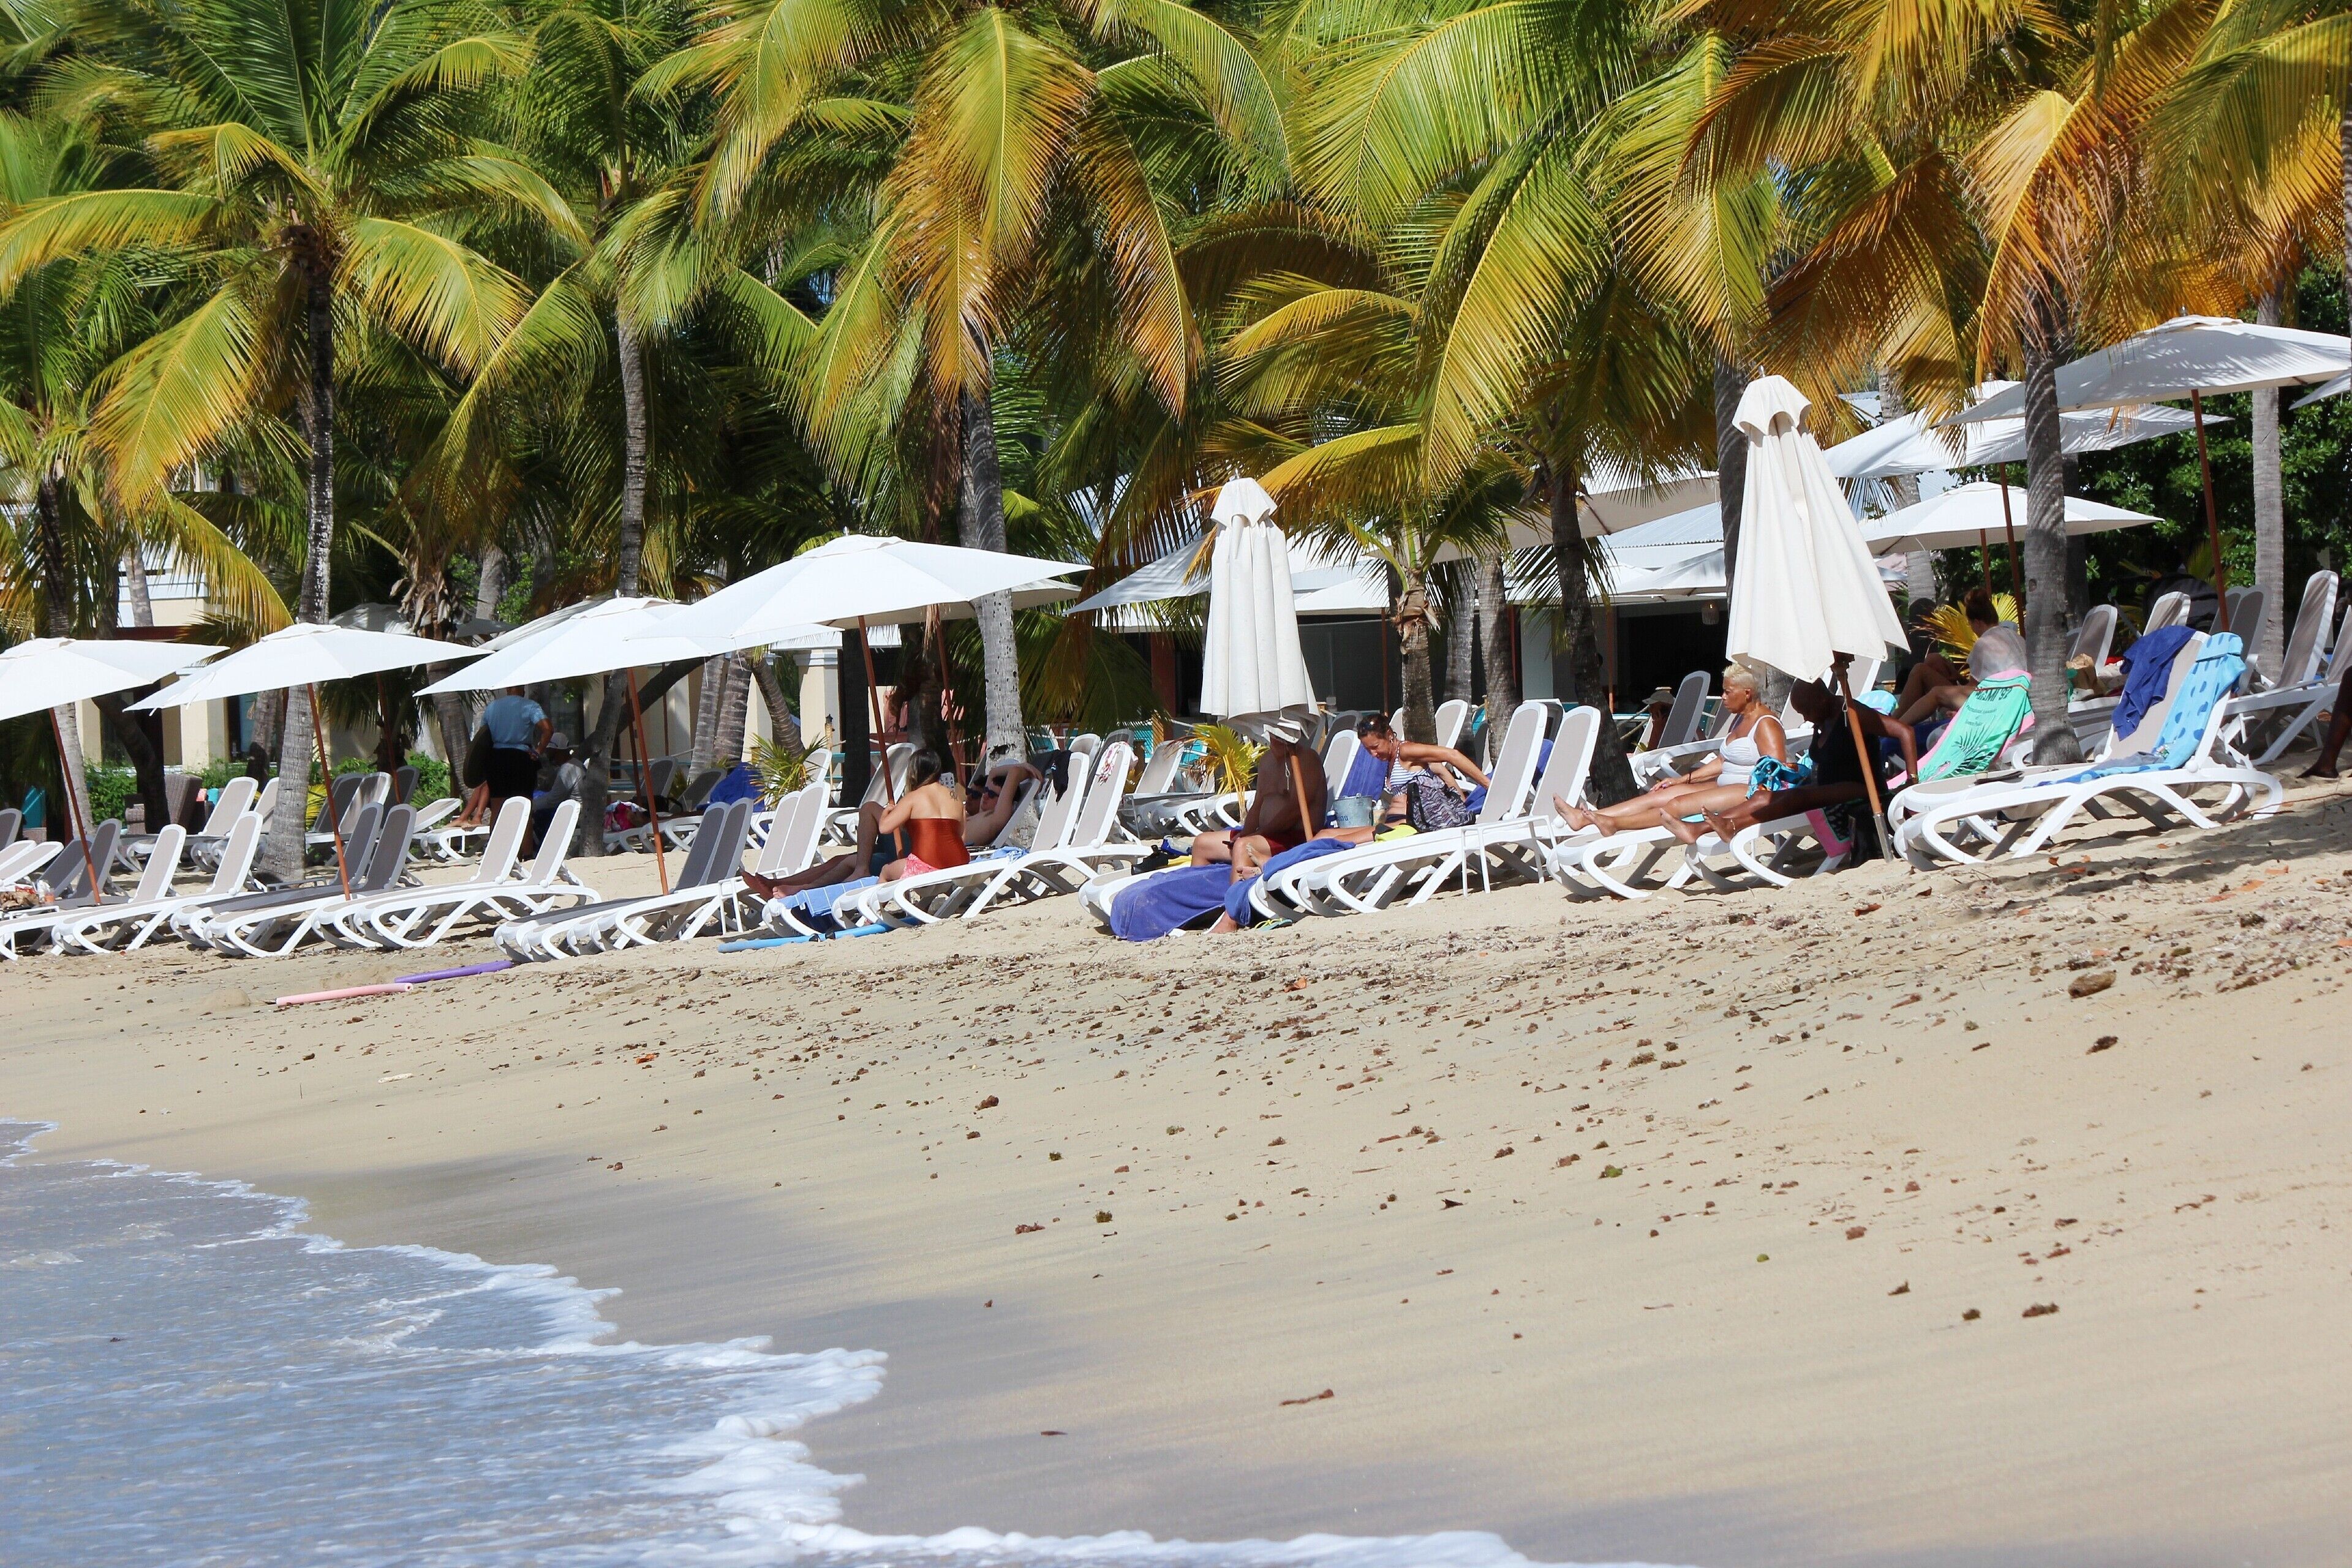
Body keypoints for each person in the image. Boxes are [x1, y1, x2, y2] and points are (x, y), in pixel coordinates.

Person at [1677, 668, 1917, 850]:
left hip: (1861, 787)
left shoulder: (1853, 713)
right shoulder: (1822, 720)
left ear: (1822, 700)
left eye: (1805, 711)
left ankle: (1731, 826)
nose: (1805, 717)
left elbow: (1905, 731)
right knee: (1763, 796)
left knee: (1797, 796)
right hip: (1829, 787)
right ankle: (1705, 827)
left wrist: (1911, 782)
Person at [1555, 660, 1785, 834]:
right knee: (1661, 795)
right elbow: (1724, 761)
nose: (1723, 697)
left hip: (1746, 791)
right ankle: (1585, 818)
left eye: (1728, 691)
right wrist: (1683, 779)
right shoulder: (1740, 719)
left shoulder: (1765, 725)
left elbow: (1777, 770)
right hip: (1724, 783)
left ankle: (1613, 824)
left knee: (1675, 805)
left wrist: (1748, 800)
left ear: (1748, 693)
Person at [1190, 723, 1328, 881]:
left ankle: (1236, 903)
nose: (1278, 738)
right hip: (1264, 835)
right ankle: (1198, 897)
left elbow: (1293, 812)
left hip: (1296, 838)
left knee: (1243, 847)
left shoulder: (1306, 759)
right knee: (1202, 843)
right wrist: (1244, 833)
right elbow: (1258, 805)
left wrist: (1252, 836)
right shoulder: (1267, 761)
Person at [1891, 588, 1999, 725]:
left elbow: (1974, 688)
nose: (1971, 628)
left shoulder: (1984, 644)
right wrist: (1958, 677)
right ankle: (1895, 721)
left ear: (1977, 622)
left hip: (1989, 701)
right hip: (2000, 694)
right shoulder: (2012, 636)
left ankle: (1896, 725)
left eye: (1970, 624)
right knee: (1933, 659)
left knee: (1928, 681)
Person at [480, 687, 550, 809]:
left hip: (497, 758)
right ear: (522, 690)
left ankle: (497, 829)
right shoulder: (530, 706)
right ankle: (526, 829)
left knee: (497, 809)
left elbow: (482, 737)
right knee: (524, 809)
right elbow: (548, 729)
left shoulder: (492, 707)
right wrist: (538, 751)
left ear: (507, 689)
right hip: (521, 758)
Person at [527, 733, 582, 851]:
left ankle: (540, 850)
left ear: (557, 751)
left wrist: (530, 805)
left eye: (549, 751)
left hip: (575, 816)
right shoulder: (575, 764)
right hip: (576, 811)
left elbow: (553, 800)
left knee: (537, 815)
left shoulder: (567, 770)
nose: (547, 754)